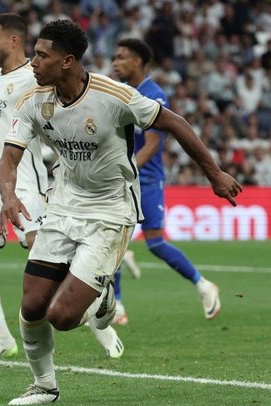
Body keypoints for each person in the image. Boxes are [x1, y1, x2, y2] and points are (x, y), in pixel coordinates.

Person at [0, 20, 242, 405]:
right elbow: (8, 158)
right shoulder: (33, 100)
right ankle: (44, 386)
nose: (33, 62)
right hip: (62, 207)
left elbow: (174, 122)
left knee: (61, 317)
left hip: (110, 212)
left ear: (68, 61)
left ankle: (102, 296)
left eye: (42, 55)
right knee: (31, 307)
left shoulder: (115, 96)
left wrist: (214, 173)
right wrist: (8, 196)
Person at [0, 14, 125, 360]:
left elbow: (36, 113)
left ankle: (98, 317)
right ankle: (2, 337)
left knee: (50, 269)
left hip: (25, 184)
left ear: (13, 41)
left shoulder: (36, 82)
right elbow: (0, 112)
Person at [111, 38, 222, 323]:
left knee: (155, 243)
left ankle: (203, 285)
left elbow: (150, 146)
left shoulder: (154, 95)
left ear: (137, 61)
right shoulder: (120, 93)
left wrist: (125, 170)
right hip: (125, 177)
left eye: (121, 57)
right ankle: (118, 306)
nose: (115, 62)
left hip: (145, 179)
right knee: (110, 238)